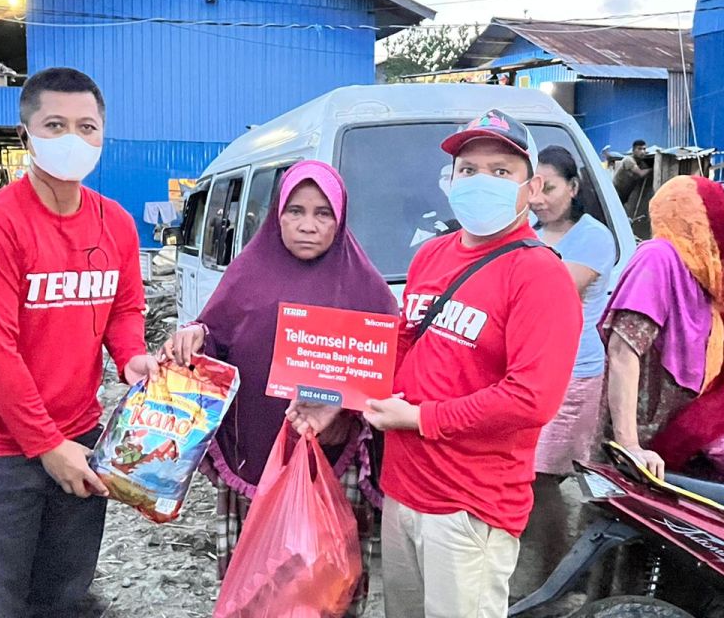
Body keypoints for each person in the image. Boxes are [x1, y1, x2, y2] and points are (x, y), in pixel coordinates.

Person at [0, 67, 159, 618]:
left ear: (102, 136)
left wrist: (131, 355)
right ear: (26, 136)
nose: (73, 140)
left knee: (65, 595)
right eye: (55, 125)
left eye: (86, 127)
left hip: (80, 435)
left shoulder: (115, 224)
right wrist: (46, 446)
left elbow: (123, 308)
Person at [364, 109, 582, 618]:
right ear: (450, 181)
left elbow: (531, 399)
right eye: (468, 169)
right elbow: (400, 346)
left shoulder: (538, 275)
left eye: (500, 171)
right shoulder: (429, 257)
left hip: (469, 508)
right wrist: (340, 394)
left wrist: (420, 419)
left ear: (532, 189)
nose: (480, 181)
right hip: (402, 491)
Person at [162, 160, 396, 618]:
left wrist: (338, 410)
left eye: (323, 213)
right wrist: (194, 336)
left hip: (333, 463)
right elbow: (217, 334)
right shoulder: (248, 273)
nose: (308, 226)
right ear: (276, 215)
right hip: (259, 457)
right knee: (261, 584)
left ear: (341, 218)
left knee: (325, 583)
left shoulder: (366, 289)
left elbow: (383, 373)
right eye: (295, 211)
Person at [600, 175, 724, 481]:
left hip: (693, 442)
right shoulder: (658, 258)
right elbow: (623, 348)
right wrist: (629, 445)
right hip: (653, 450)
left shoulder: (703, 270)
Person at [511, 145, 617, 599]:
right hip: (530, 370)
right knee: (528, 476)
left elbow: (550, 288)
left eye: (549, 188)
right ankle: (536, 576)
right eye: (532, 187)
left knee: (545, 477)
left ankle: (548, 584)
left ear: (574, 188)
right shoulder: (529, 232)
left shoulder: (593, 237)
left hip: (573, 375)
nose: (538, 198)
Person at [612, 140, 653, 239]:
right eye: (639, 149)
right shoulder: (628, 160)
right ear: (634, 150)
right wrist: (653, 168)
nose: (643, 152)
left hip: (623, 197)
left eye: (644, 149)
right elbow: (641, 173)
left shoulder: (641, 164)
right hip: (614, 194)